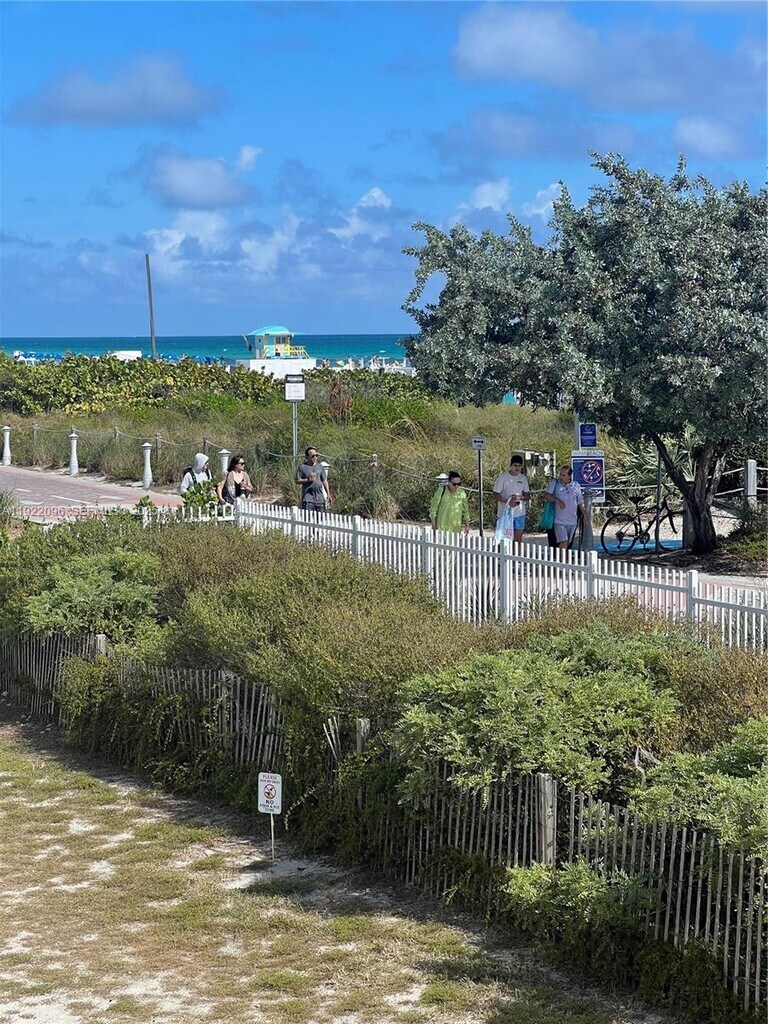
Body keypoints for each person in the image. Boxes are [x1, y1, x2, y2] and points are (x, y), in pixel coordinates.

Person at [542, 465, 585, 549]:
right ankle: (562, 557)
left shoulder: (576, 485)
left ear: (569, 476)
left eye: (563, 475)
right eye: (560, 474)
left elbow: (580, 502)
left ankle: (562, 556)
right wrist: (557, 500)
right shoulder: (555, 483)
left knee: (568, 543)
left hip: (572, 520)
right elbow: (546, 495)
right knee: (563, 542)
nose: (561, 477)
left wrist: (585, 515)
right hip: (559, 520)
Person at [492, 455, 531, 544]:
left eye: (519, 466)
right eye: (515, 465)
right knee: (503, 539)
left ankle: (516, 553)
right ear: (510, 465)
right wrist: (507, 501)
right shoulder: (503, 477)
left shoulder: (523, 478)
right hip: (505, 513)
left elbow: (528, 495)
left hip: (519, 513)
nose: (517, 468)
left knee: (517, 541)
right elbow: (495, 494)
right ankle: (502, 553)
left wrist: (520, 497)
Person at [296, 446, 332, 513]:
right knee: (308, 518)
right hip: (308, 499)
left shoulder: (320, 467)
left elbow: (325, 481)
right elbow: (297, 480)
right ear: (307, 457)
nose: (315, 457)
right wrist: (307, 480)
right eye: (313, 456)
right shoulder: (302, 467)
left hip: (319, 499)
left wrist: (328, 494)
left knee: (320, 518)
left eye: (316, 455)